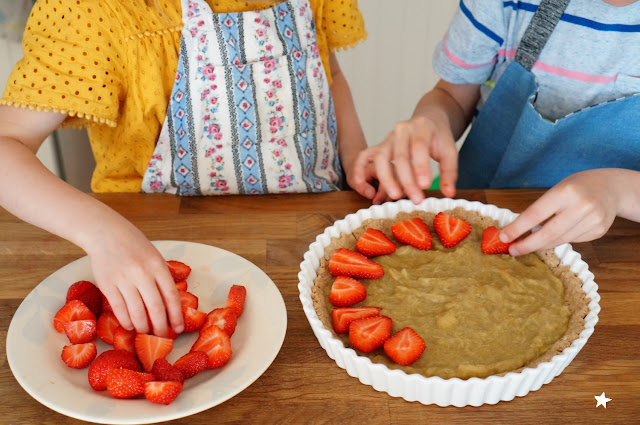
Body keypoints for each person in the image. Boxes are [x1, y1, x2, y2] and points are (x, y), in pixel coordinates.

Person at [0, 0, 368, 336]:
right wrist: (104, 234)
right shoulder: (90, 12)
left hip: (309, 244)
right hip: (159, 259)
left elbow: (329, 69)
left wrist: (355, 158)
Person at [349, 0, 640, 257]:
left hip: (618, 256)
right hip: (478, 223)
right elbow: (452, 96)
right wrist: (431, 119)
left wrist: (617, 192)